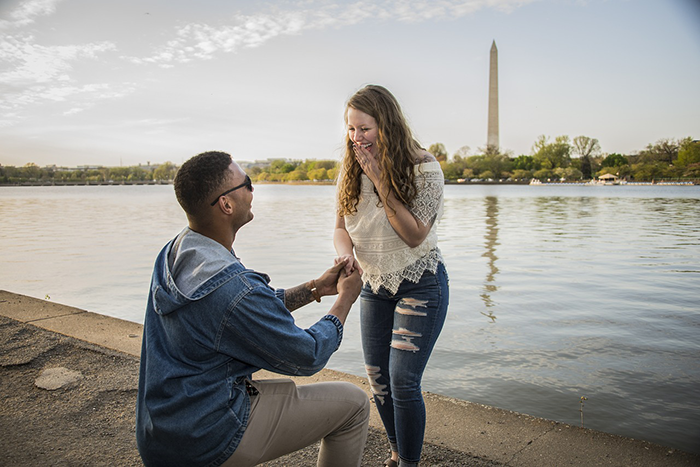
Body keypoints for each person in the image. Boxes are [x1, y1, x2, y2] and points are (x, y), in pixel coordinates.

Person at [136, 151, 369, 467]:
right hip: (204, 439)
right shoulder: (231, 287)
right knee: (354, 403)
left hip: (162, 431)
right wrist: (345, 299)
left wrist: (315, 288)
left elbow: (237, 314)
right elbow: (307, 354)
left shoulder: (176, 252)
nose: (253, 189)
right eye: (246, 183)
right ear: (226, 205)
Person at [333, 85, 449, 467]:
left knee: (402, 381)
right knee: (378, 380)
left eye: (364, 129)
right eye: (351, 130)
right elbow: (340, 227)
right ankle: (398, 453)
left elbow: (414, 235)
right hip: (375, 286)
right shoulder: (349, 171)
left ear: (387, 124)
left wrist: (382, 180)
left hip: (421, 283)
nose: (356, 138)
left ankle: (409, 464)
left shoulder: (424, 167)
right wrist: (345, 255)